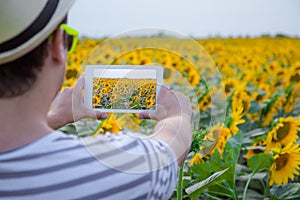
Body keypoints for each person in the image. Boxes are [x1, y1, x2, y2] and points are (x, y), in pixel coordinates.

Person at [0, 0, 192, 199]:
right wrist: (177, 116)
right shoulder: (110, 171)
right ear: (58, 44)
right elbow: (168, 150)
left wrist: (53, 118)